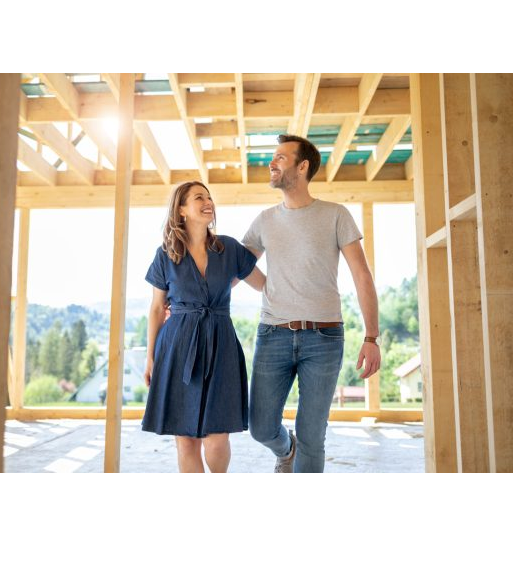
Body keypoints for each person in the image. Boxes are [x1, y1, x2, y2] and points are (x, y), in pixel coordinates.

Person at [242, 134, 381, 473]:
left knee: (312, 434)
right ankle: (284, 449)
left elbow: (362, 275)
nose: (272, 163)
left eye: (280, 158)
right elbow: (238, 266)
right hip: (272, 334)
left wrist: (372, 336)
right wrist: (268, 287)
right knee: (259, 426)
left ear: (302, 167)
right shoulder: (264, 220)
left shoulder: (336, 215)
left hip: (325, 339)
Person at [142, 181, 266, 473]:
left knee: (217, 437)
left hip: (221, 344)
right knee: (185, 440)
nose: (208, 201)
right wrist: (150, 357)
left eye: (209, 197)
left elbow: (264, 285)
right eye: (199, 197)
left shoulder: (229, 248)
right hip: (176, 346)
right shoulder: (165, 255)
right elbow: (158, 308)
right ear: (181, 209)